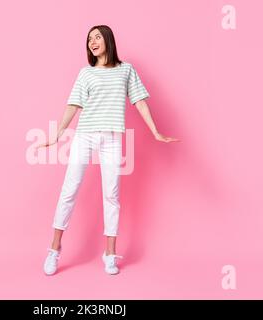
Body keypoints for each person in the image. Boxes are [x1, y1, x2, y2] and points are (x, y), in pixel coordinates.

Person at [36, 25, 180, 276]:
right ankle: (54, 249)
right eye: (89, 39)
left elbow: (139, 101)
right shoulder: (86, 73)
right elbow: (73, 105)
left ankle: (110, 254)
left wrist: (155, 131)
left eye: (97, 37)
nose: (92, 42)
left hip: (112, 138)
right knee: (69, 190)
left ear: (108, 41)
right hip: (85, 136)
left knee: (111, 195)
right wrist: (58, 133)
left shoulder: (126, 70)